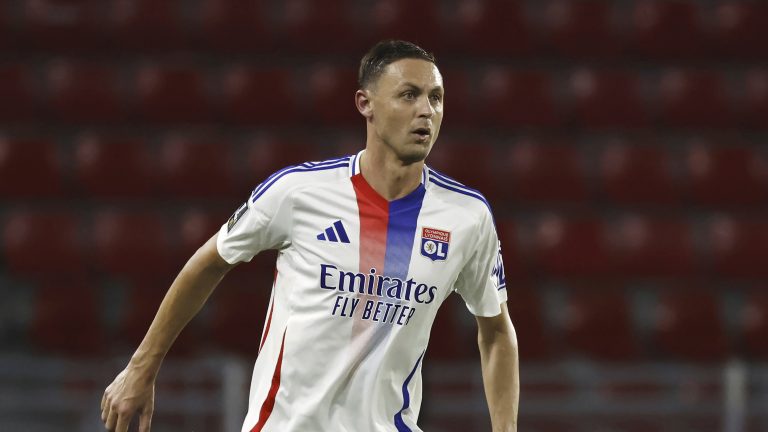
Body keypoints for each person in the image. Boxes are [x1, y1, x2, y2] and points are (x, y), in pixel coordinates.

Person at [101, 39, 519, 432]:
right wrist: (142, 367)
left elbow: (497, 330)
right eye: (409, 95)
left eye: (436, 98)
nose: (426, 110)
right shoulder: (298, 193)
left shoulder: (467, 217)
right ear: (365, 104)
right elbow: (210, 262)